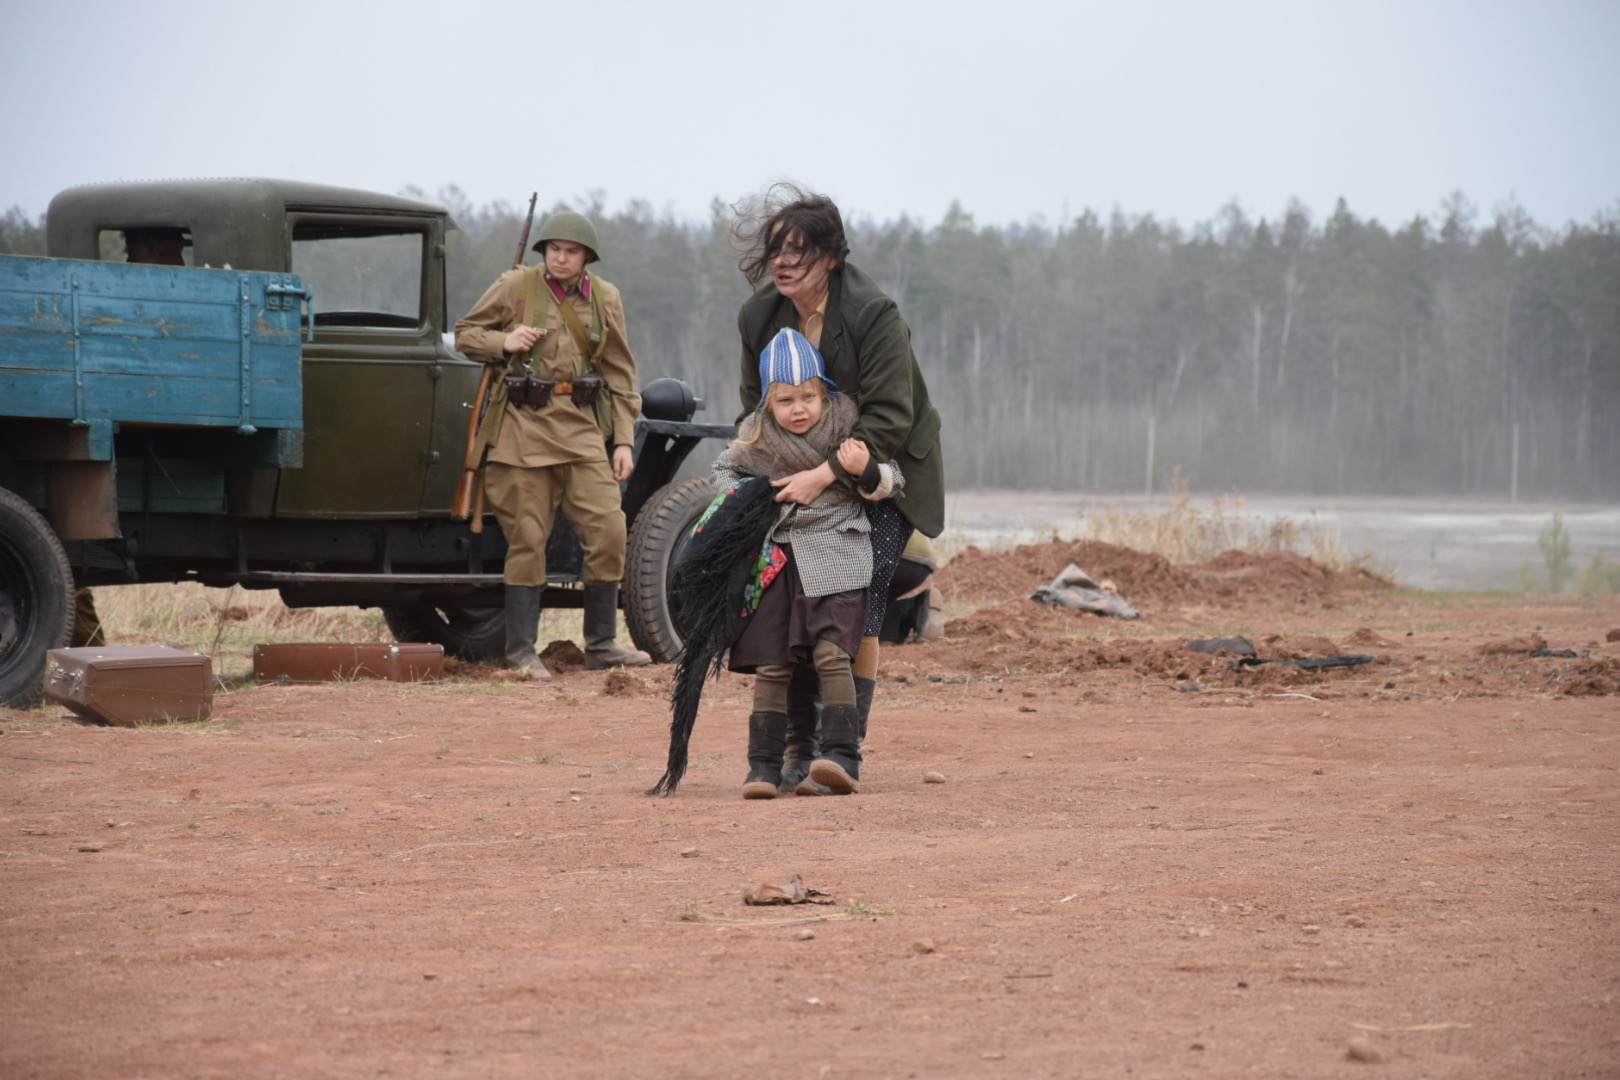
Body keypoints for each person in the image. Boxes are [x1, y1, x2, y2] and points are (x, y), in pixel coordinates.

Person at [734, 185, 944, 792]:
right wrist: (764, 480)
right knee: (791, 598)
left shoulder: (873, 312)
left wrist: (825, 475)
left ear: (831, 257)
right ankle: (797, 750)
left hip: (883, 468)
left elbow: (890, 418)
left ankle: (842, 752)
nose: (782, 262)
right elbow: (755, 413)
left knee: (860, 591)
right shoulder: (757, 316)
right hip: (794, 473)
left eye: (798, 250)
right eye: (776, 249)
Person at [454, 210, 651, 678]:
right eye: (554, 250)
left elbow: (620, 374)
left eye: (571, 251)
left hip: (582, 431)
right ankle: (522, 652)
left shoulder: (605, 298)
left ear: (587, 257)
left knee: (609, 531)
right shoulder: (515, 286)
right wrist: (505, 341)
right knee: (527, 540)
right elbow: (465, 335)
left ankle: (601, 645)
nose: (561, 258)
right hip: (522, 431)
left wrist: (623, 441)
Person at [714, 328, 901, 797]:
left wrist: (863, 469)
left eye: (807, 397)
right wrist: (754, 498)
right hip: (780, 557)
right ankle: (763, 766)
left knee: (831, 653)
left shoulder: (848, 430)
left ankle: (841, 757)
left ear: (824, 393)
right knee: (773, 660)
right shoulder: (755, 441)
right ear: (767, 403)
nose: (798, 409)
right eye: (785, 401)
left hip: (839, 549)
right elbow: (723, 475)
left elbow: (891, 483)